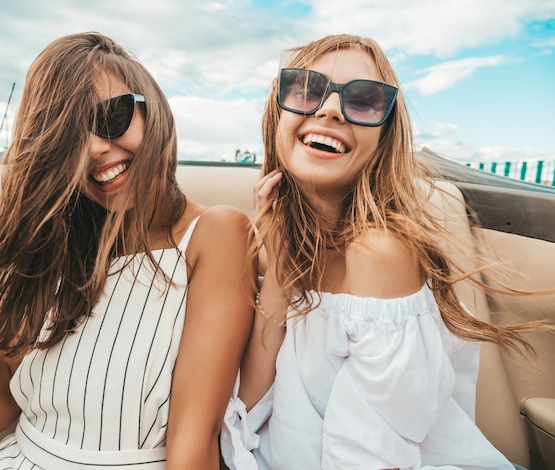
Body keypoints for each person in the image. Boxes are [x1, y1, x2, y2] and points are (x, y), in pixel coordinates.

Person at [220, 34, 552, 470]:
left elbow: (369, 458)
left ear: (384, 137)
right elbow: (252, 409)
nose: (331, 108)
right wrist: (278, 271)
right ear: (276, 112)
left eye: (364, 101)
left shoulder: (380, 252)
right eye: (307, 89)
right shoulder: (279, 242)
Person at [0, 32, 254, 469]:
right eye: (66, 139)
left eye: (111, 116)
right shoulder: (53, 240)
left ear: (151, 109)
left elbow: (193, 443)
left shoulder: (215, 233)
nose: (94, 148)